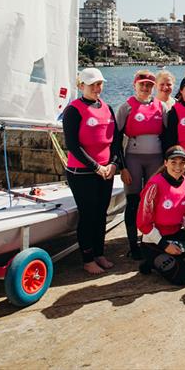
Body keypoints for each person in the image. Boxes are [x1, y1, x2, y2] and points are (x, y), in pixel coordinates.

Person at [63, 67, 124, 274]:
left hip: (105, 171)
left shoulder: (106, 107)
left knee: (101, 214)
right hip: (82, 173)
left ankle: (99, 253)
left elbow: (115, 140)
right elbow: (72, 144)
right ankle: (87, 258)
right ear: (81, 86)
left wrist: (114, 164)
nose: (98, 88)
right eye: (93, 85)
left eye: (100, 84)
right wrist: (95, 166)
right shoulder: (74, 110)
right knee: (88, 214)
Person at [137, 145, 185, 285]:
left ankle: (169, 258)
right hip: (154, 242)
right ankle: (152, 261)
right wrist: (165, 245)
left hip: (175, 235)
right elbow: (143, 223)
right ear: (165, 163)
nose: (178, 166)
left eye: (182, 162)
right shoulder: (154, 185)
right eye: (173, 162)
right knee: (184, 278)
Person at [117, 70, 168, 260]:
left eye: (149, 85)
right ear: (135, 85)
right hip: (133, 159)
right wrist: (122, 166)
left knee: (154, 201)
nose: (145, 88)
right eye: (142, 85)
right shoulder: (126, 107)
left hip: (155, 159)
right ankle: (133, 244)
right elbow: (116, 138)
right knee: (133, 202)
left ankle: (152, 240)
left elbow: (167, 135)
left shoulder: (160, 107)